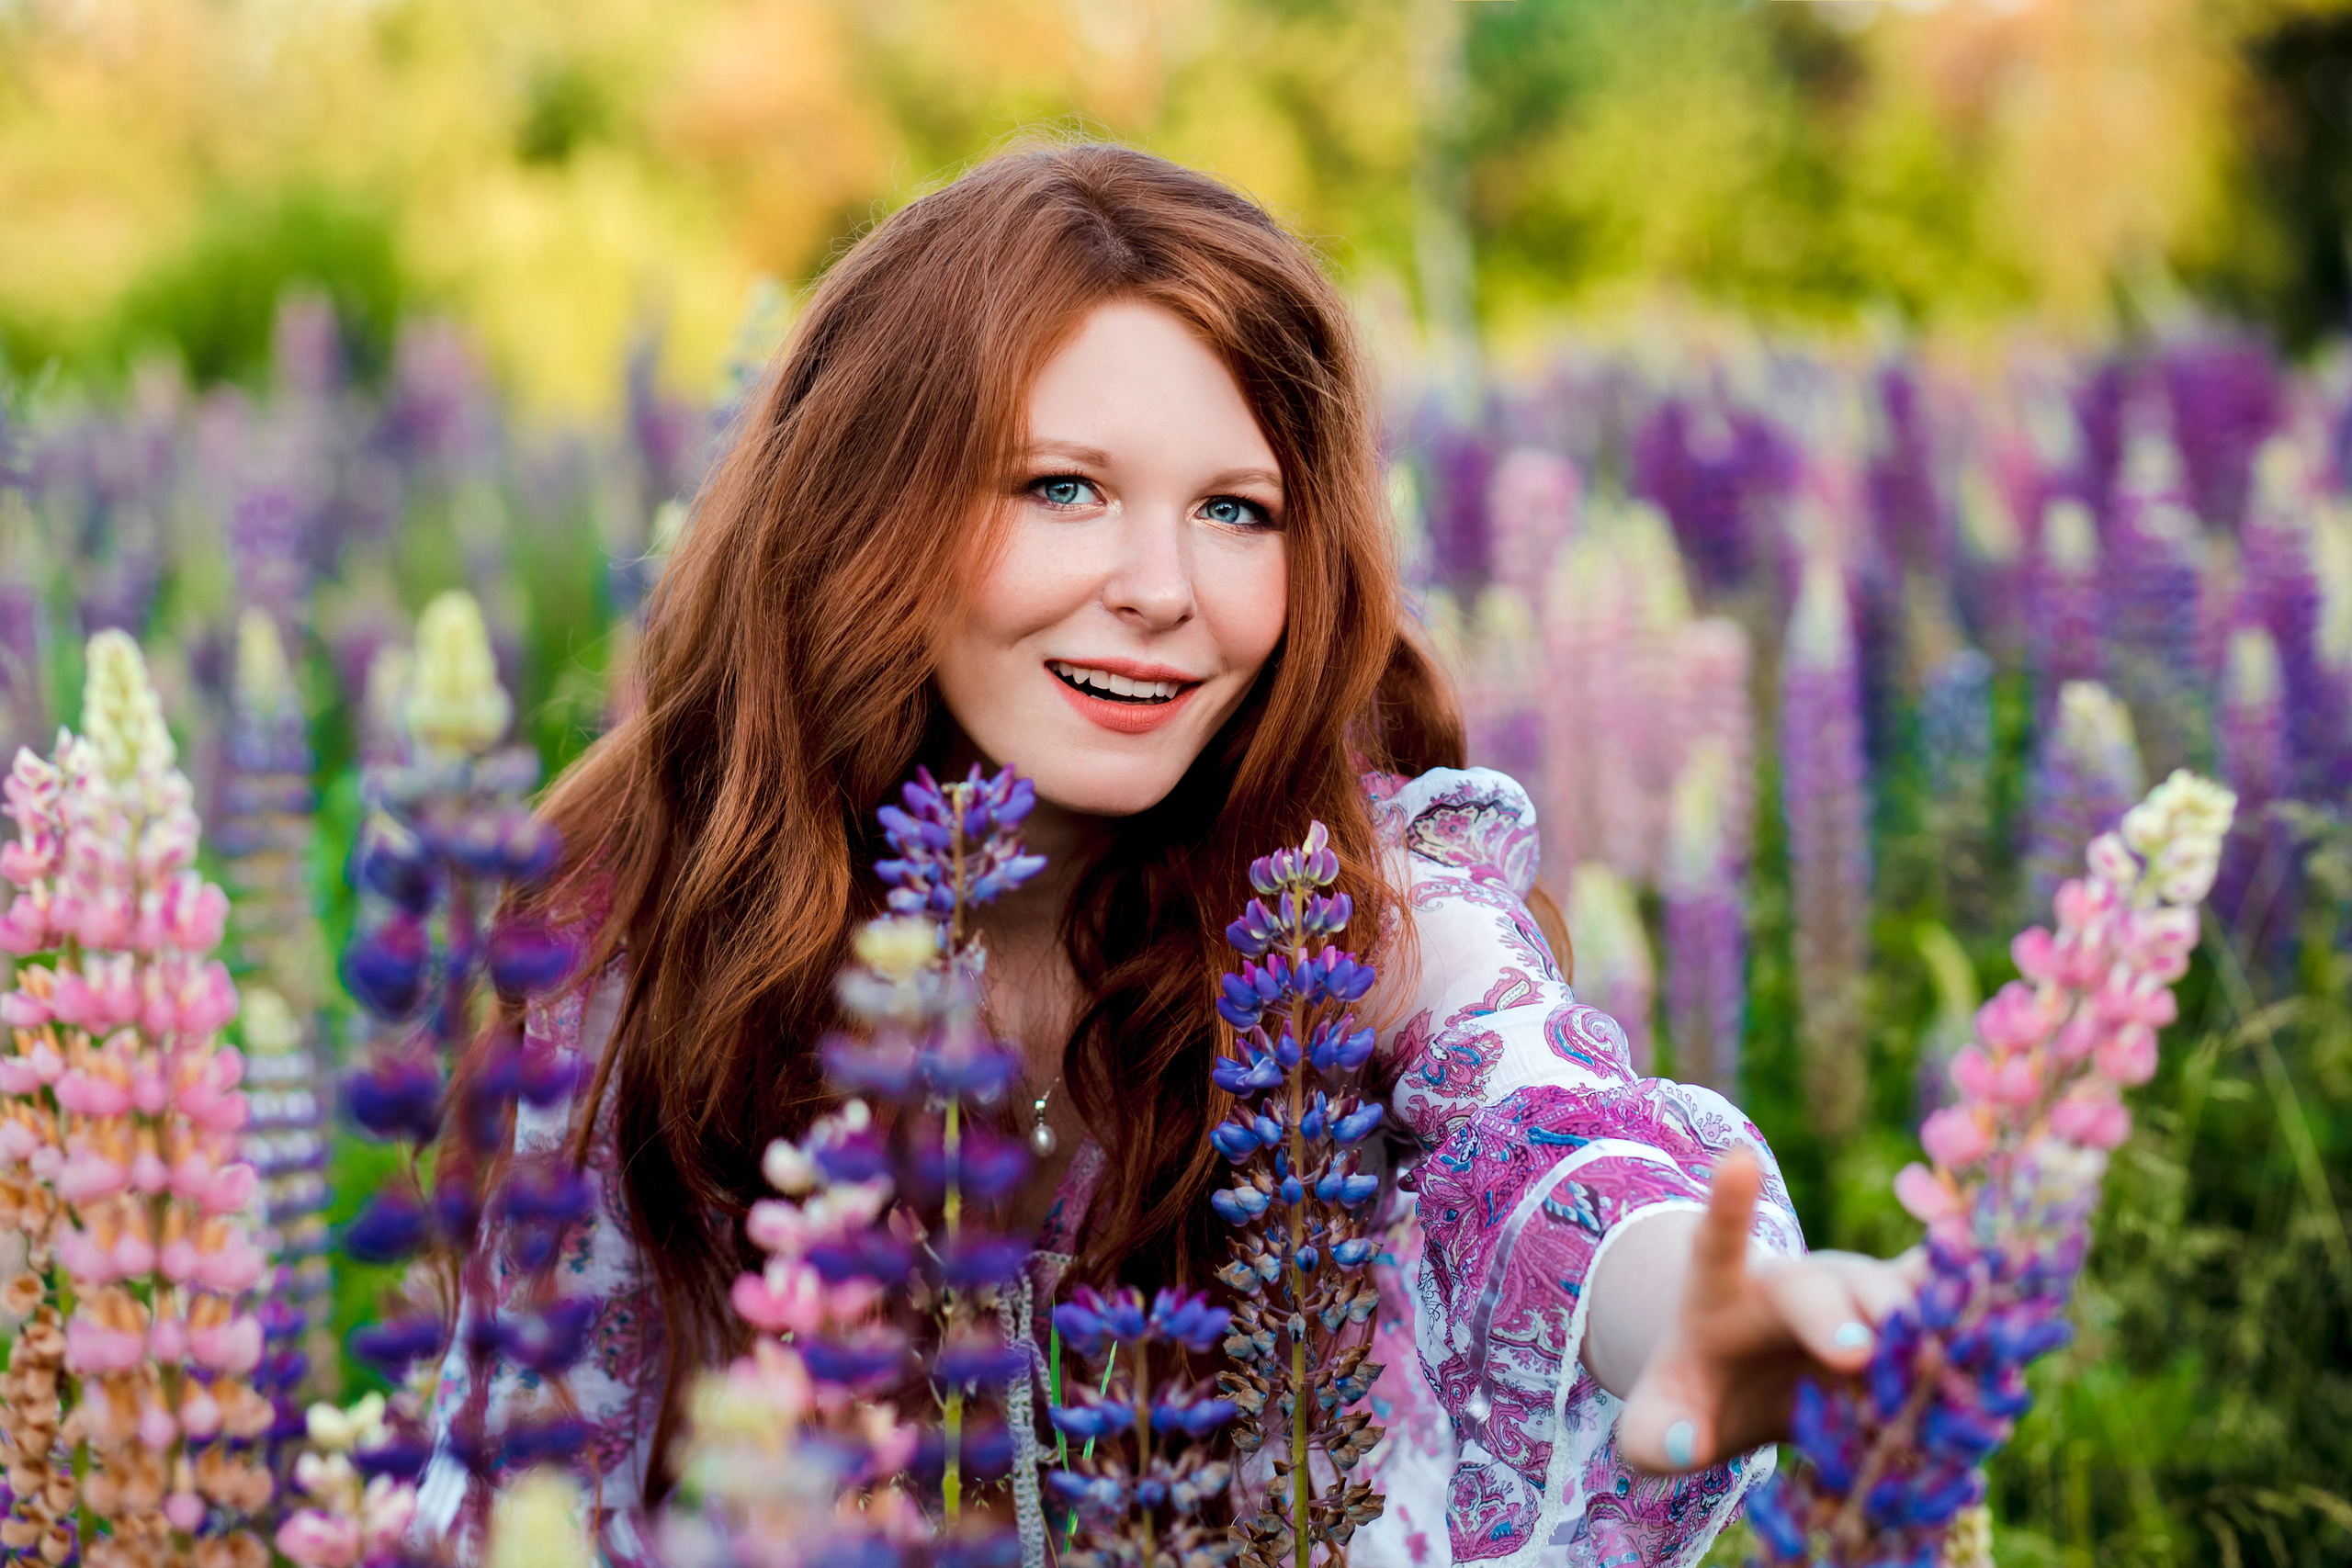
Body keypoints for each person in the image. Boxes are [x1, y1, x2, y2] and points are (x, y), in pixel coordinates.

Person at [416, 142, 1915, 1568]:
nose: (1161, 589)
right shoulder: (653, 945)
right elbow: (520, 1484)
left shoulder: (1354, 905)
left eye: (1236, 510)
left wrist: (1695, 1303)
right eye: (1062, 487)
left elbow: (1540, 1119)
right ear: (873, 512)